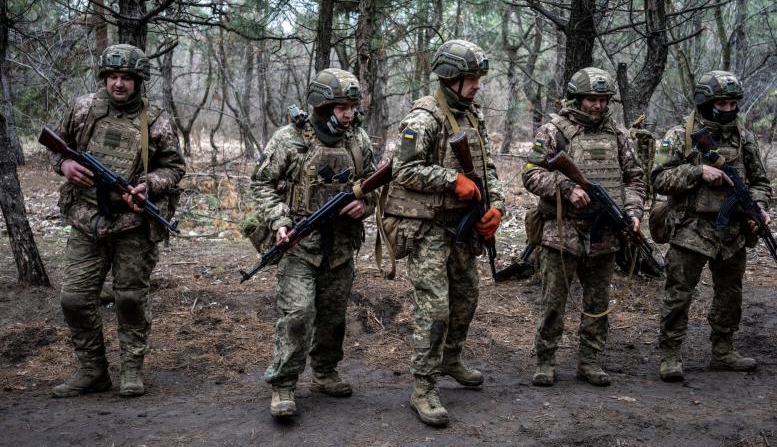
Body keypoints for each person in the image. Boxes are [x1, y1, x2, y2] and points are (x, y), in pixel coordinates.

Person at [382, 39, 505, 426]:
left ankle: (451, 358)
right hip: (428, 229)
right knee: (435, 308)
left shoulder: (472, 116)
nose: (477, 85)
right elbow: (402, 170)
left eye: (478, 79)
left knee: (467, 298)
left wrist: (496, 205)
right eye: (471, 79)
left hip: (462, 228)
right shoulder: (424, 117)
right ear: (450, 78)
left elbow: (487, 172)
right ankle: (424, 386)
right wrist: (452, 180)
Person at [50, 44, 185, 398]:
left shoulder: (156, 119)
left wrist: (147, 185)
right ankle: (92, 369)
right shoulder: (83, 109)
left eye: (126, 77)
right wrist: (65, 165)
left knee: (130, 299)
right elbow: (56, 147)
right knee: (75, 299)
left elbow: (174, 168)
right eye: (112, 76)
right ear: (104, 78)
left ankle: (131, 368)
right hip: (85, 219)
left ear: (139, 81)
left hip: (133, 224)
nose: (119, 84)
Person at [250, 68, 376, 417]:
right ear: (322, 106)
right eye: (341, 106)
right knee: (298, 314)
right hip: (298, 244)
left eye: (352, 106)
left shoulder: (359, 141)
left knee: (334, 316)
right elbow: (260, 184)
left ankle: (324, 372)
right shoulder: (289, 140)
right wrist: (279, 221)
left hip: (340, 247)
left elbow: (377, 186)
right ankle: (284, 384)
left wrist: (364, 205)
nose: (349, 113)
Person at [522, 67, 645, 387]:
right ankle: (546, 360)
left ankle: (589, 360)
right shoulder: (552, 131)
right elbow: (531, 175)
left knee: (597, 302)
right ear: (576, 98)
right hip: (562, 231)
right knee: (553, 301)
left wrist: (632, 212)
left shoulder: (618, 134)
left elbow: (635, 179)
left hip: (605, 231)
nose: (598, 105)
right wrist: (565, 188)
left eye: (604, 100)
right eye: (592, 99)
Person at [652, 70, 772, 382]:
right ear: (706, 102)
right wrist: (697, 172)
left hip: (731, 231)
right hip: (691, 227)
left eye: (734, 103)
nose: (729, 109)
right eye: (723, 103)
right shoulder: (680, 135)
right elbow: (659, 178)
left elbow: (759, 182)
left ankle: (723, 349)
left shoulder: (745, 138)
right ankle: (670, 353)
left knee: (730, 293)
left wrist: (759, 208)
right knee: (679, 293)